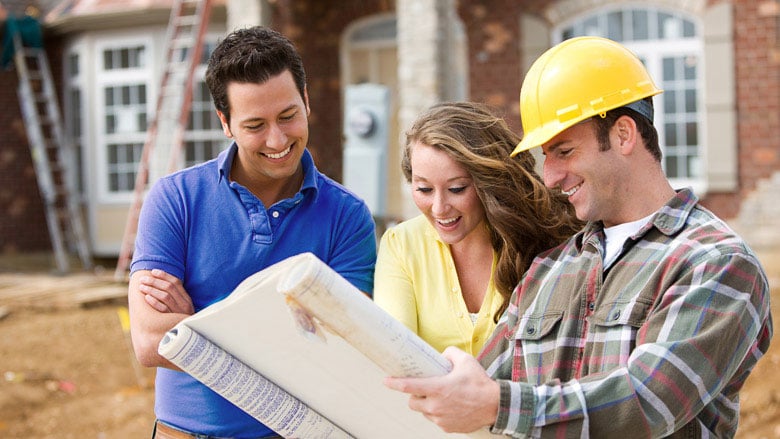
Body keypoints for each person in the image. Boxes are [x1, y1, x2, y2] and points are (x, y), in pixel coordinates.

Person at [384, 36, 773, 438]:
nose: (550, 175)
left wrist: (497, 405)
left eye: (564, 151)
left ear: (623, 135)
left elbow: (645, 402)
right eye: (547, 156)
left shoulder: (715, 263)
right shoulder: (549, 270)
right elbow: (474, 388)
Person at [127, 26, 376, 439]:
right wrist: (286, 332)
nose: (277, 139)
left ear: (307, 102)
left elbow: (345, 348)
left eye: (288, 116)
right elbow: (151, 340)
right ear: (225, 122)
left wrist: (194, 323)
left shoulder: (347, 217)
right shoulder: (174, 200)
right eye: (255, 124)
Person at [373, 101, 581, 355]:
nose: (439, 208)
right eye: (424, 189)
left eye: (457, 189)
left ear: (489, 183)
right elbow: (393, 352)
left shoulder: (544, 240)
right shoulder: (400, 244)